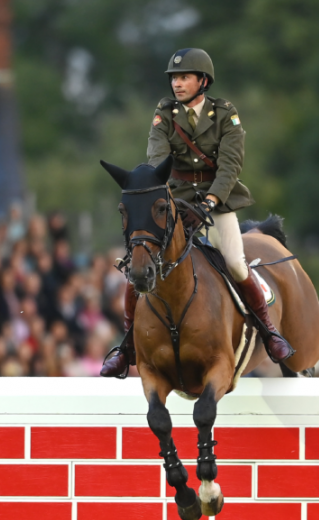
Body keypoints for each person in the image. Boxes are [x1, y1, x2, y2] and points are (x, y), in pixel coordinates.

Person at [101, 48, 293, 378]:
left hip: (217, 203)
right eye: (174, 78)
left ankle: (268, 331)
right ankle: (127, 345)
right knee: (141, 261)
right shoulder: (164, 112)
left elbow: (230, 165)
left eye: (184, 77)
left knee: (234, 261)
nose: (177, 84)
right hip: (175, 203)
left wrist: (210, 202)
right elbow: (158, 154)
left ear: (203, 81)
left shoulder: (224, 114)